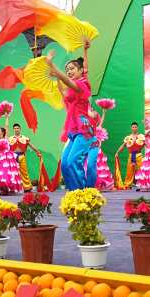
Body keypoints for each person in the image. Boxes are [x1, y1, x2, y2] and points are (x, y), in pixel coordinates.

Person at [47, 41, 94, 190]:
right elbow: (64, 90)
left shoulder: (82, 85)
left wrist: (52, 65)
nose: (68, 71)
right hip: (73, 130)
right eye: (67, 69)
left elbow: (73, 77)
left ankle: (82, 192)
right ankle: (75, 193)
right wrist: (85, 51)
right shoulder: (72, 89)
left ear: (80, 71)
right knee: (65, 164)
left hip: (84, 129)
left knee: (73, 162)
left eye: (72, 68)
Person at [10, 123, 41, 192]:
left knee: (24, 172)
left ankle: (27, 187)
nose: (16, 129)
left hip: (22, 156)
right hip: (13, 157)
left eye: (17, 128)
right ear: (13, 129)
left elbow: (31, 146)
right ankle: (12, 188)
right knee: (13, 173)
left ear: (20, 129)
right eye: (15, 128)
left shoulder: (24, 138)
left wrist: (37, 151)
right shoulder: (10, 139)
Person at [115, 122, 144, 188]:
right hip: (131, 155)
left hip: (139, 155)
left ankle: (141, 183)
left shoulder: (141, 136)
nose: (134, 128)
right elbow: (123, 145)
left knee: (140, 170)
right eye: (133, 127)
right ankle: (128, 184)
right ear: (131, 128)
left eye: (135, 127)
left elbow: (145, 144)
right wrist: (117, 152)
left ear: (137, 128)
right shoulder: (128, 137)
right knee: (129, 171)